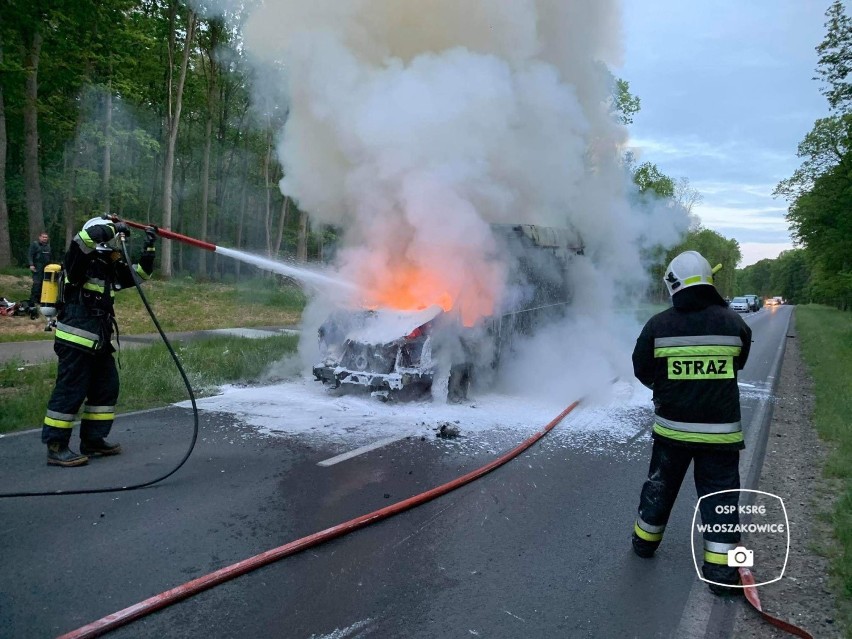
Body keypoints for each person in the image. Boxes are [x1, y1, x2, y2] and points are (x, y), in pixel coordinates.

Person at [630, 251, 752, 595]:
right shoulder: (734, 324)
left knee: (660, 487)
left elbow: (641, 369)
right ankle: (722, 574)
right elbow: (739, 362)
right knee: (720, 499)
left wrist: (669, 387)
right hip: (721, 436)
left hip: (672, 432)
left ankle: (643, 545)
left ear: (673, 285)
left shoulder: (658, 326)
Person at [41, 216, 157, 467]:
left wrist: (149, 247)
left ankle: (93, 440)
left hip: (98, 341)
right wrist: (113, 226)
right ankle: (56, 445)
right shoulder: (78, 260)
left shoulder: (106, 265)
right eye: (111, 238)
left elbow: (139, 275)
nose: (115, 243)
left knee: (106, 388)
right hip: (75, 339)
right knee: (70, 392)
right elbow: (83, 240)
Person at [28, 231, 55, 306]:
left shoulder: (48, 247)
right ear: (39, 237)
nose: (44, 239)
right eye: (43, 237)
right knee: (37, 283)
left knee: (44, 284)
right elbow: (30, 255)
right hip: (37, 266)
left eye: (46, 237)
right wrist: (31, 264)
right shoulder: (35, 245)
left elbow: (50, 257)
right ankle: (33, 300)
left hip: (46, 267)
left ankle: (41, 300)